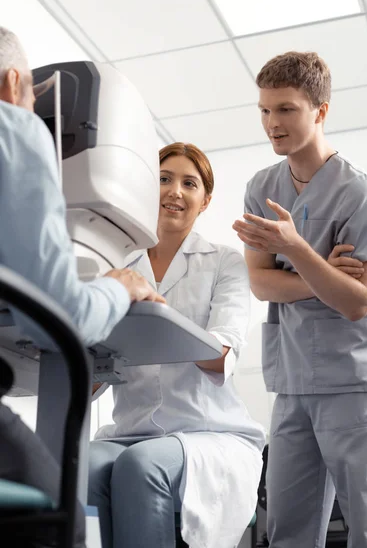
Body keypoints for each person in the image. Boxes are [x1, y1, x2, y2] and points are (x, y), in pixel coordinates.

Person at [0, 26, 164, 547]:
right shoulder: (13, 131)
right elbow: (59, 320)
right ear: (12, 84)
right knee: (62, 514)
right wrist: (117, 287)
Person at [233, 51, 367, 548]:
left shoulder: (358, 192)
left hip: (353, 381)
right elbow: (262, 284)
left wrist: (294, 250)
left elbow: (356, 303)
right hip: (292, 382)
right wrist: (324, 272)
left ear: (320, 111)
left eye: (285, 109)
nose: (271, 123)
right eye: (264, 110)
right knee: (288, 530)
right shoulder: (261, 187)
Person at [88, 142, 266, 548]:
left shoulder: (224, 262)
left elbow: (221, 355)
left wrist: (157, 313)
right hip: (129, 432)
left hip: (208, 433)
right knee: (82, 470)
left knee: (141, 466)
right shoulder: (115, 268)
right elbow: (95, 375)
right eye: (165, 179)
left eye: (190, 183)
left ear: (205, 201)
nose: (175, 191)